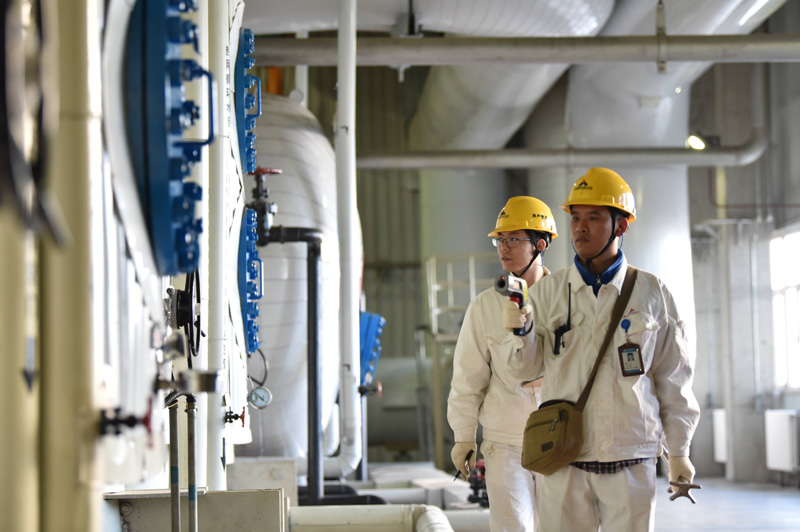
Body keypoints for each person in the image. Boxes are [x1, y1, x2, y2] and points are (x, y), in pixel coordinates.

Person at [504, 167, 701, 532]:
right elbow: (524, 371)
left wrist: (679, 452)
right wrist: (521, 331)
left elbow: (674, 379)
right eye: (575, 217)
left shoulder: (652, 293)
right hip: (563, 457)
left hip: (630, 458)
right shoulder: (548, 293)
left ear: (620, 226)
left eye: (593, 218)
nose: (580, 228)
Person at [447, 196, 558, 532]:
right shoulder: (484, 307)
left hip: (561, 436)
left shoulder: (566, 299)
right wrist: (464, 436)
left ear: (540, 245)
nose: (503, 248)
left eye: (513, 239)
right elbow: (468, 378)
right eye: (500, 239)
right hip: (505, 442)